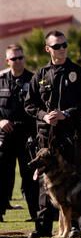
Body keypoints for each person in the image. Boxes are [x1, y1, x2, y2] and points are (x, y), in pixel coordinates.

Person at [24, 30, 81, 238]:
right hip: (46, 135)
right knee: (45, 180)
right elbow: (29, 105)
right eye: (57, 46)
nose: (62, 49)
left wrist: (66, 114)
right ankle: (43, 226)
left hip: (69, 134)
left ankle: (74, 227)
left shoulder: (77, 72)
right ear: (48, 49)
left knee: (73, 180)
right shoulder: (40, 75)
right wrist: (45, 116)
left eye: (64, 45)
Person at [0, 44, 39, 222]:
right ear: (7, 61)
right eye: (14, 59)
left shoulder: (33, 80)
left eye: (21, 57)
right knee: (3, 175)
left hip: (26, 135)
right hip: (5, 135)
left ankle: (36, 214)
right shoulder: (0, 79)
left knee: (29, 176)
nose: (18, 61)